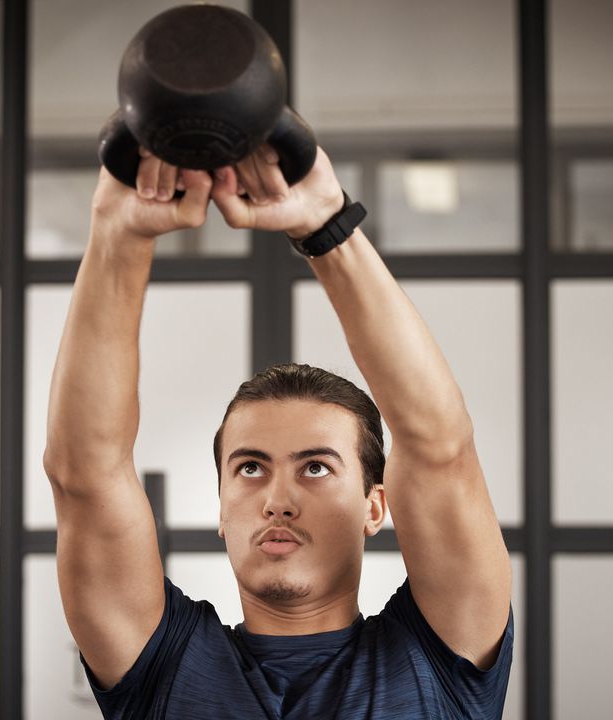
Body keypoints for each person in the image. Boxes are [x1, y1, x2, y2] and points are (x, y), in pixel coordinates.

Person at [44, 143, 514, 719]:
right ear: (221, 508)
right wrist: (118, 235)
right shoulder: (164, 666)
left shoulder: (439, 656)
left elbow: (440, 447)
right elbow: (84, 475)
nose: (277, 501)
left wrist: (328, 226)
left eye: (315, 467)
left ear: (374, 507)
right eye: (250, 467)